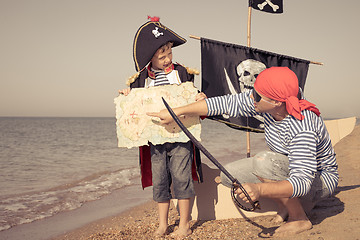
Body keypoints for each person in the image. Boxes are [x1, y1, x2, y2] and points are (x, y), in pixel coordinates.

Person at [147, 66, 339, 237]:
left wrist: (260, 189)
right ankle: (286, 205)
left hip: (318, 180)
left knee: (263, 161)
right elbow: (222, 104)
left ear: (277, 103)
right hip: (285, 167)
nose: (251, 97)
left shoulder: (302, 126)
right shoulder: (267, 102)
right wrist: (176, 111)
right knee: (230, 176)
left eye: (257, 95)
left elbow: (302, 182)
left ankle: (299, 218)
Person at [119, 16, 205, 238]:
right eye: (162, 55)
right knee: (160, 181)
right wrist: (128, 96)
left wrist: (200, 97)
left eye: (169, 53)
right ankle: (162, 224)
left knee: (181, 177)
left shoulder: (182, 73)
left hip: (181, 137)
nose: (167, 59)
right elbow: (134, 105)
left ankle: (184, 223)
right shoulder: (140, 80)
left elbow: (193, 98)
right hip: (155, 140)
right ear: (150, 57)